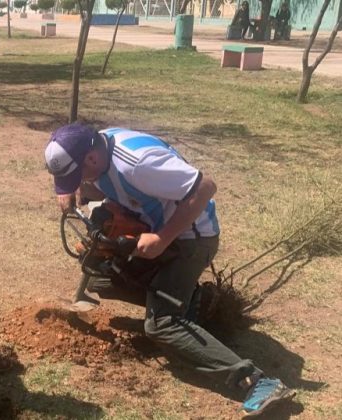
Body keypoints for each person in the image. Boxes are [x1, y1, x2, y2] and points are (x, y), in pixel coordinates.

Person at [44, 124, 296, 417]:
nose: (78, 181)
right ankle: (188, 300)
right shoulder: (96, 144)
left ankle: (256, 381)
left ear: (91, 159)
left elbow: (206, 186)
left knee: (160, 323)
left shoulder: (138, 163)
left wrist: (162, 238)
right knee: (101, 272)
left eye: (77, 175)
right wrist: (77, 189)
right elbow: (106, 184)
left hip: (191, 239)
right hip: (157, 227)